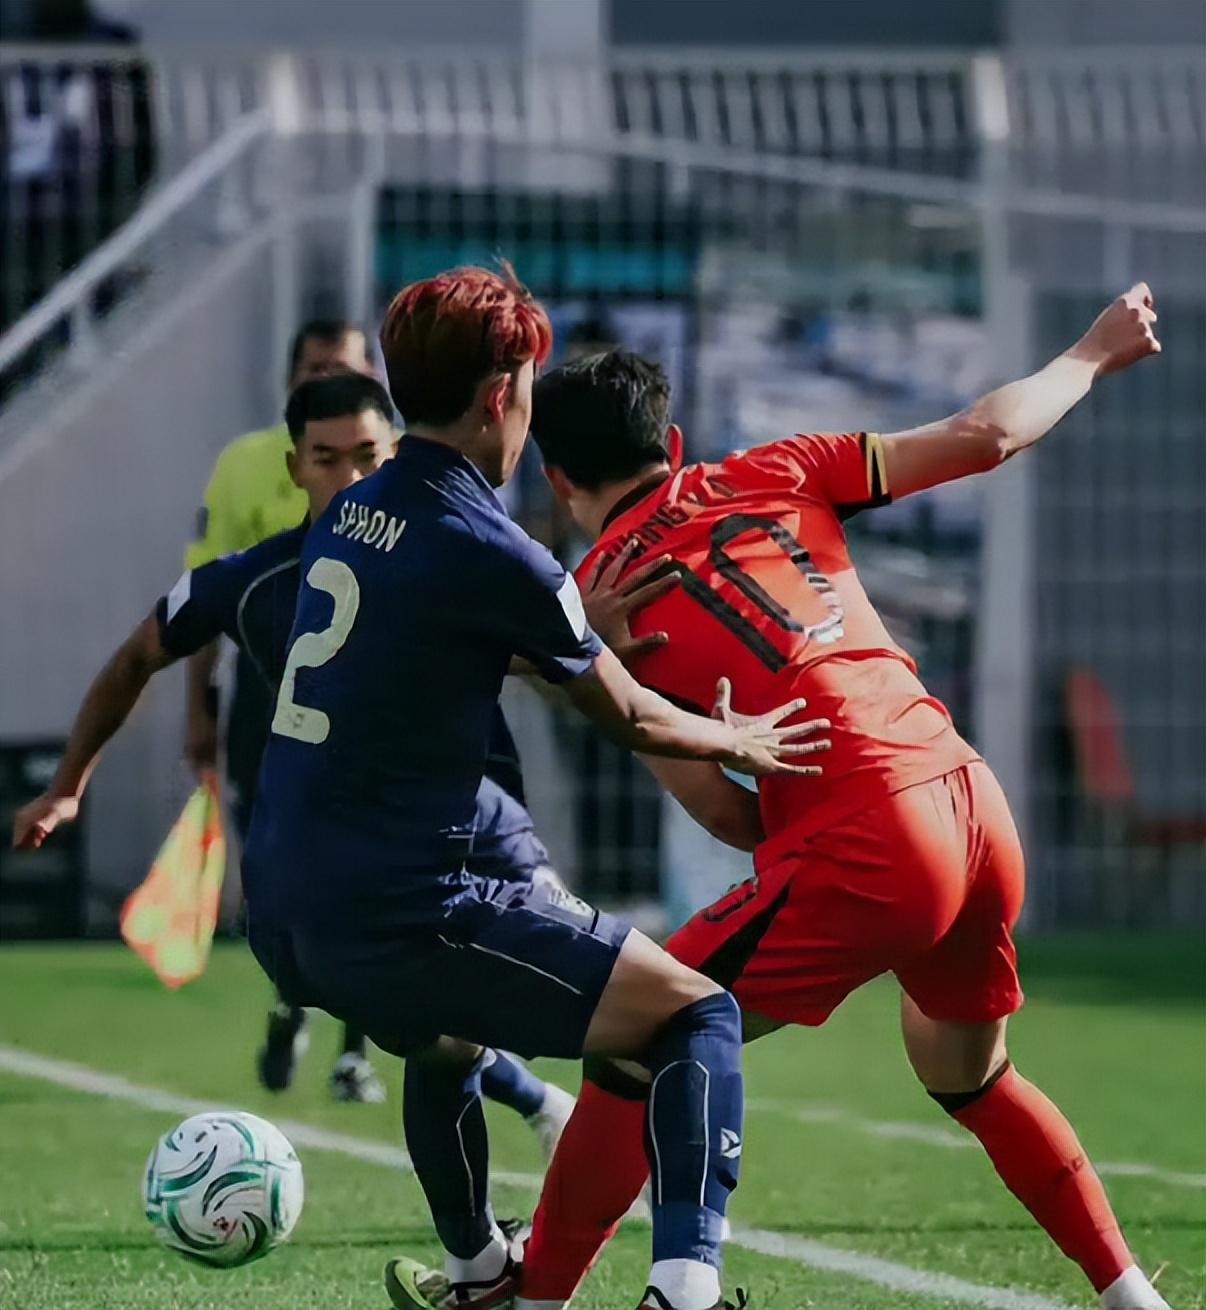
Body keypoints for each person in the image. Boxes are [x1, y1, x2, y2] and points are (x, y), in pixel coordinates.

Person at [501, 287, 1169, 1310]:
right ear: (671, 443)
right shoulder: (778, 466)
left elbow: (726, 816)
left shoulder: (598, 610)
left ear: (555, 479)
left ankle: (539, 1293)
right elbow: (987, 433)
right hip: (968, 797)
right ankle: (1131, 1295)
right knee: (971, 1075)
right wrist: (1089, 351)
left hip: (870, 833)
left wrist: (589, 677)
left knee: (639, 1033)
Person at [240, 266, 827, 1310]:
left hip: (281, 908)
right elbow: (632, 715)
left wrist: (561, 631)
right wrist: (740, 734)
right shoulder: (497, 549)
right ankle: (686, 1291)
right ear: (499, 396)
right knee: (699, 1012)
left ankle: (478, 1271)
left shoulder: (349, 511)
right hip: (402, 913)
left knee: (449, 1037)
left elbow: (429, 642)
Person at [9, 370, 577, 1168]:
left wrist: (585, 648)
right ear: (294, 468)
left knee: (585, 988)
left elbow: (524, 648)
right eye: (326, 458)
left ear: (397, 453)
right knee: (431, 1014)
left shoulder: (456, 552)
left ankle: (605, 1142)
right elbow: (140, 652)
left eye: (367, 455)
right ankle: (531, 1154)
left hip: (473, 814)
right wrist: (68, 786)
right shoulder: (255, 580)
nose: (349, 476)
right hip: (351, 846)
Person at [184, 319, 383, 1100]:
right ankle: (291, 996)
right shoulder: (245, 464)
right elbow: (203, 598)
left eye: (343, 366)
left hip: (375, 704)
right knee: (283, 874)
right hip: (269, 704)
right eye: (314, 368)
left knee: (364, 870)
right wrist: (198, 707)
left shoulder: (397, 458)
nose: (326, 378)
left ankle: (353, 1051)